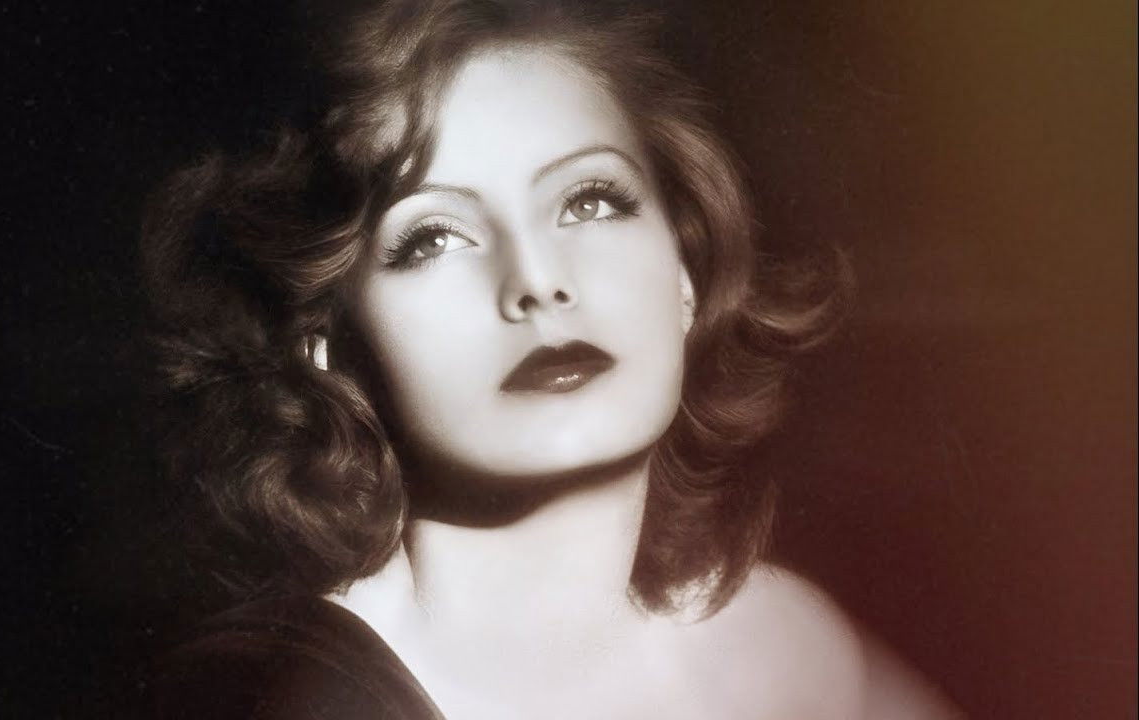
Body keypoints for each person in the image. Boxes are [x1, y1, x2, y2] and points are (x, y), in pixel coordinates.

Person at [142, 0, 962, 717]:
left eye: (589, 201)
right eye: (433, 239)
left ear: (684, 274)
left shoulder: (780, 646)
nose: (537, 282)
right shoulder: (278, 699)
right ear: (327, 345)